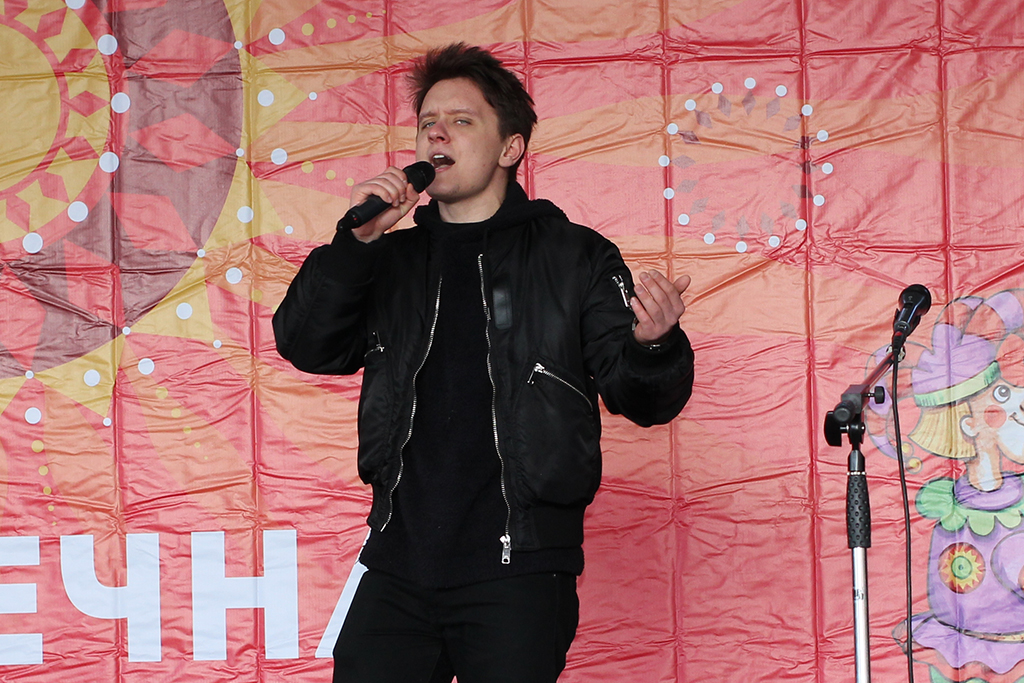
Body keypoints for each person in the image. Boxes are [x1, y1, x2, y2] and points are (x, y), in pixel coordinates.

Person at [273, 43, 695, 683]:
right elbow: (306, 344)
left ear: (510, 148)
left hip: (519, 568)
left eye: (461, 120)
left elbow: (642, 398)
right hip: (397, 563)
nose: (436, 133)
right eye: (427, 122)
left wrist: (653, 344)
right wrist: (354, 245)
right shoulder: (389, 259)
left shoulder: (575, 257)